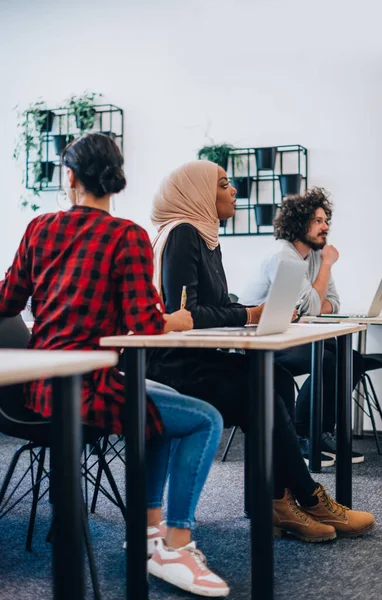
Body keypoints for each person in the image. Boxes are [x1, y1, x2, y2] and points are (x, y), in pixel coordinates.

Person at [0, 134, 230, 598]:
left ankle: (148, 533)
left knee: (173, 409)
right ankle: (174, 546)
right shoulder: (127, 236)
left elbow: (8, 300)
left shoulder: (39, 228)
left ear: (70, 178)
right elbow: (143, 323)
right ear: (115, 180)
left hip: (35, 388)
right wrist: (178, 318)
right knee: (205, 420)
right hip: (87, 387)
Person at [147, 160, 375, 541]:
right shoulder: (183, 233)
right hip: (172, 365)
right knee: (261, 393)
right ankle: (310, 496)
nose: (233, 190)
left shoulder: (206, 237)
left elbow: (214, 306)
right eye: (224, 184)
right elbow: (185, 312)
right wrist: (250, 313)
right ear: (199, 193)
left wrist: (247, 315)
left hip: (199, 357)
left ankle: (277, 503)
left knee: (278, 379)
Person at [239, 189, 365, 465]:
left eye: (326, 220)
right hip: (260, 340)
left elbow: (333, 302)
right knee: (325, 357)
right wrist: (328, 266)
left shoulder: (316, 257)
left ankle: (318, 433)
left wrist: (319, 289)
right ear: (299, 223)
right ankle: (304, 434)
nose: (326, 227)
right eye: (318, 221)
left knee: (350, 359)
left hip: (289, 334)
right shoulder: (284, 256)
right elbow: (311, 307)